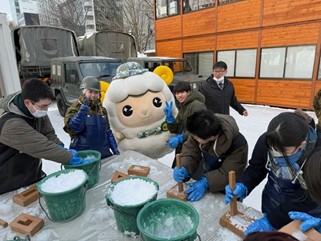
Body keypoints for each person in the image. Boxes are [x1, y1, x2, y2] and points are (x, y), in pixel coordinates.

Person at [225, 111, 321, 235]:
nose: (277, 156)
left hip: (305, 215)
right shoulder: (270, 139)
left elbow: (309, 197)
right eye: (274, 150)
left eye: (284, 151)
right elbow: (256, 168)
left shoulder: (317, 156)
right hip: (273, 202)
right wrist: (244, 184)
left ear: (301, 144)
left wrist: (272, 220)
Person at [0, 79, 86, 195]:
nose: (46, 110)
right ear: (27, 103)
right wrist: (68, 157)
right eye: (43, 106)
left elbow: (48, 133)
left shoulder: (35, 109)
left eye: (48, 106)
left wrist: (59, 146)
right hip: (8, 182)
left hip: (30, 173)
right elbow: (42, 146)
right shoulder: (11, 123)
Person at [173, 109, 248, 202]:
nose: (193, 138)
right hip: (209, 172)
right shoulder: (200, 130)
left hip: (229, 186)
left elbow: (228, 173)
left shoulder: (238, 144)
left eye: (196, 137)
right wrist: (184, 166)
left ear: (211, 137)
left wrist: (206, 182)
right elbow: (191, 151)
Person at [64, 76, 119, 158]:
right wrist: (82, 112)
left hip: (103, 153)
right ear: (84, 92)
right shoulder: (74, 108)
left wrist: (114, 148)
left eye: (96, 92)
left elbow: (107, 131)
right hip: (84, 155)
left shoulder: (102, 110)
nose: (93, 95)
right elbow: (73, 129)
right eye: (90, 92)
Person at [163, 81, 206, 168]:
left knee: (183, 176)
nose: (179, 96)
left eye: (182, 92)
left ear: (189, 92)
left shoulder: (196, 105)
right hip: (183, 148)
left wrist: (181, 138)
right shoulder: (184, 106)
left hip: (193, 150)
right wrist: (170, 118)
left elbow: (199, 129)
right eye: (177, 93)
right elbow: (176, 129)